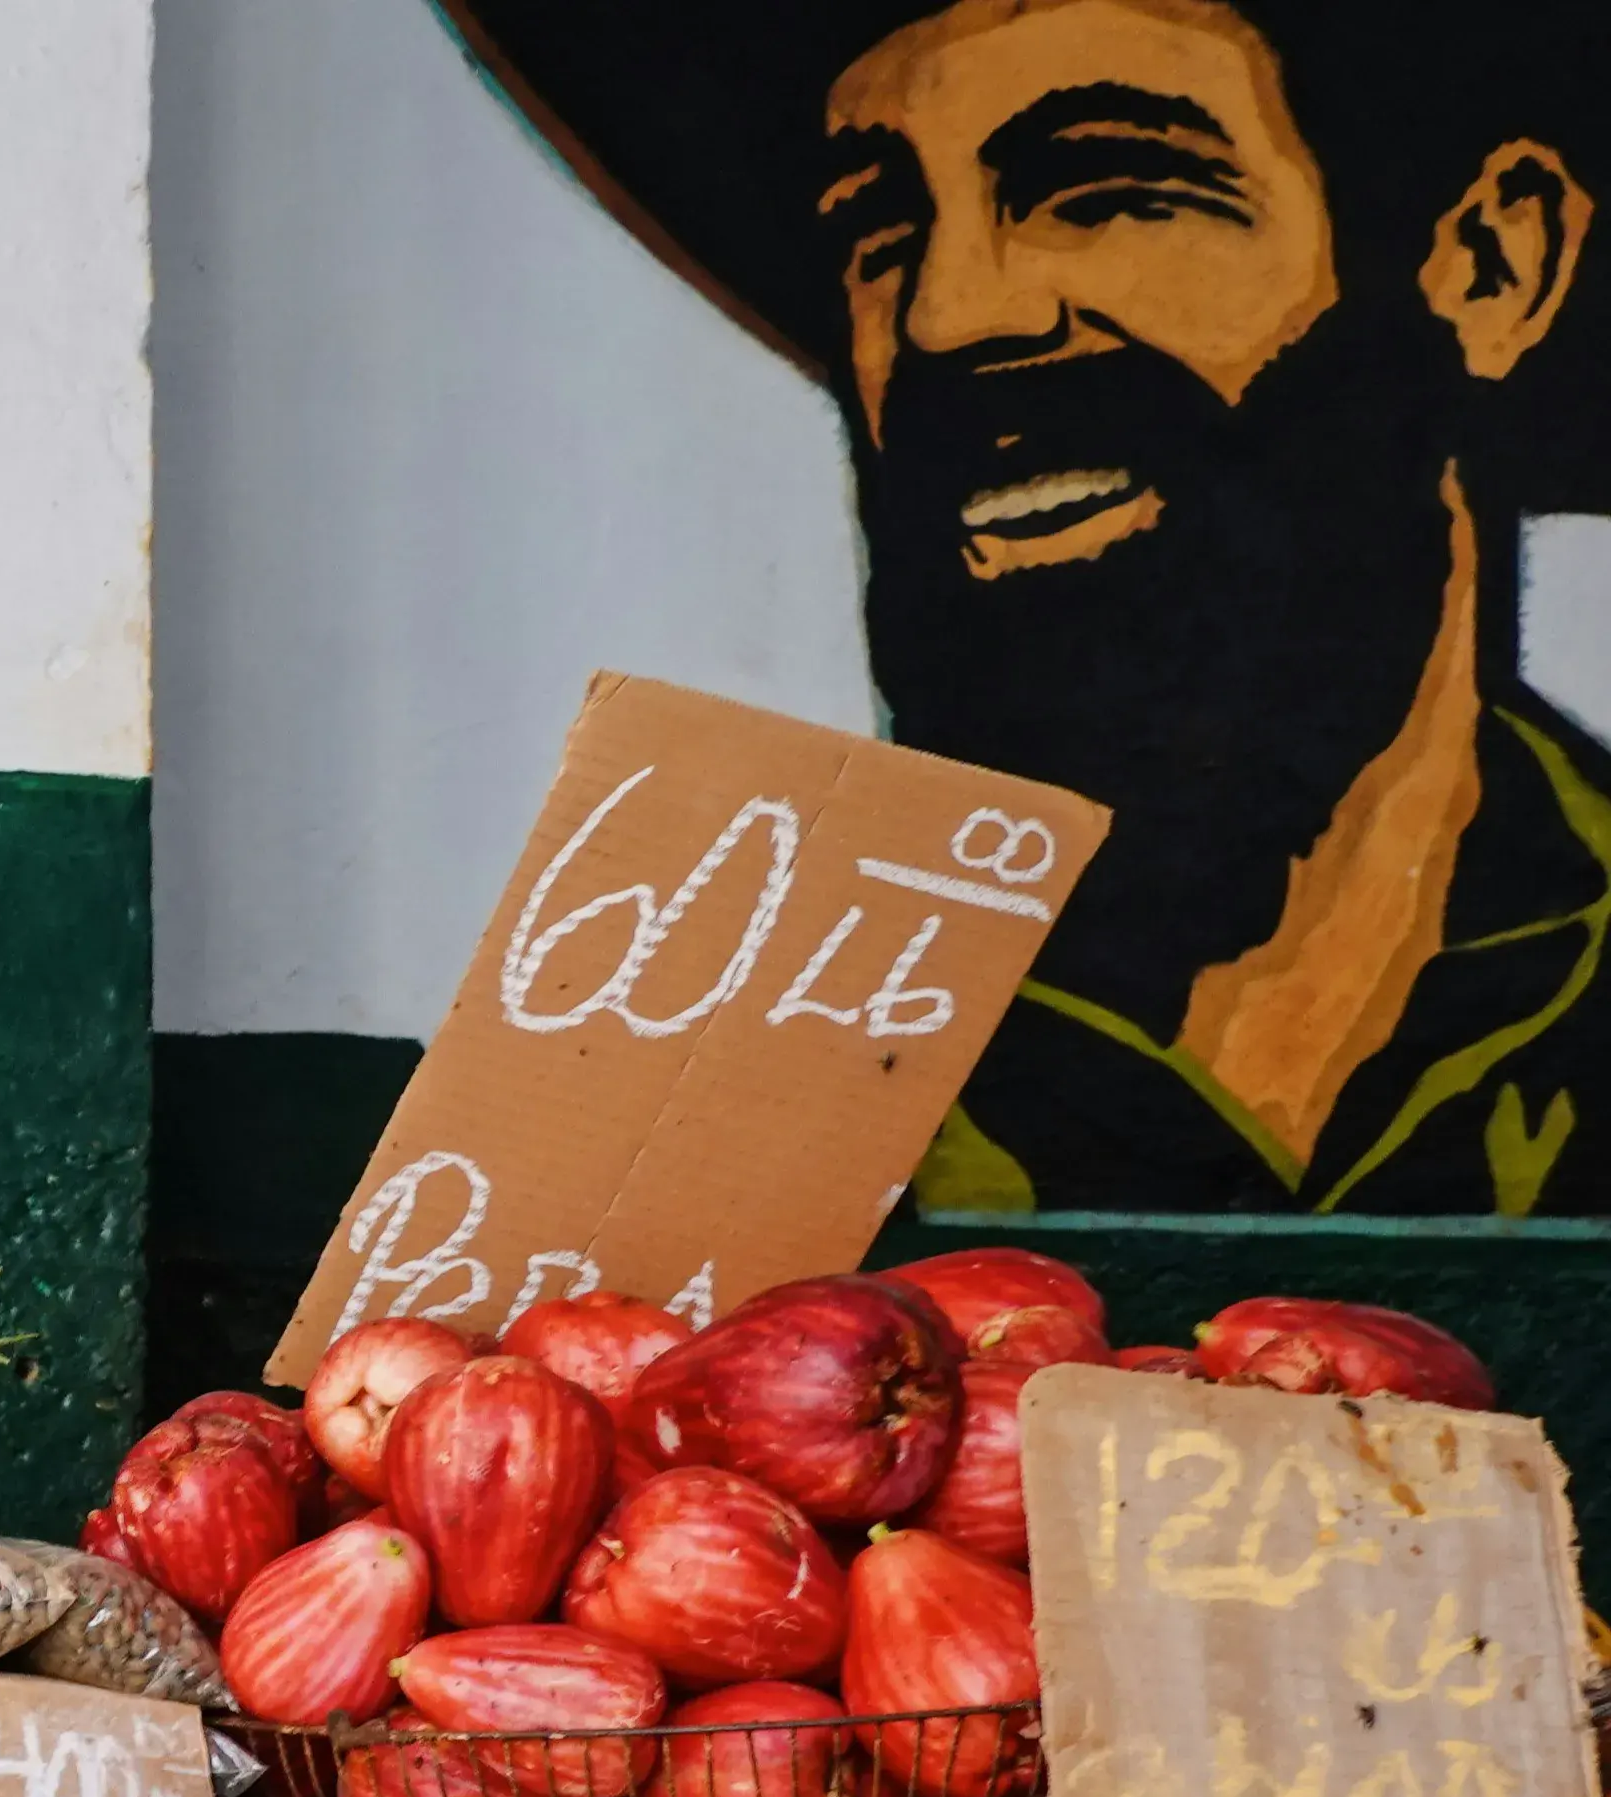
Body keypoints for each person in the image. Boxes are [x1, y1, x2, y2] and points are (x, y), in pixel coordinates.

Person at [447, 0, 1608, 1210]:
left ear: (1489, 264)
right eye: (880, 231)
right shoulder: (710, 1025)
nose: (951, 313)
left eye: (1107, 188)